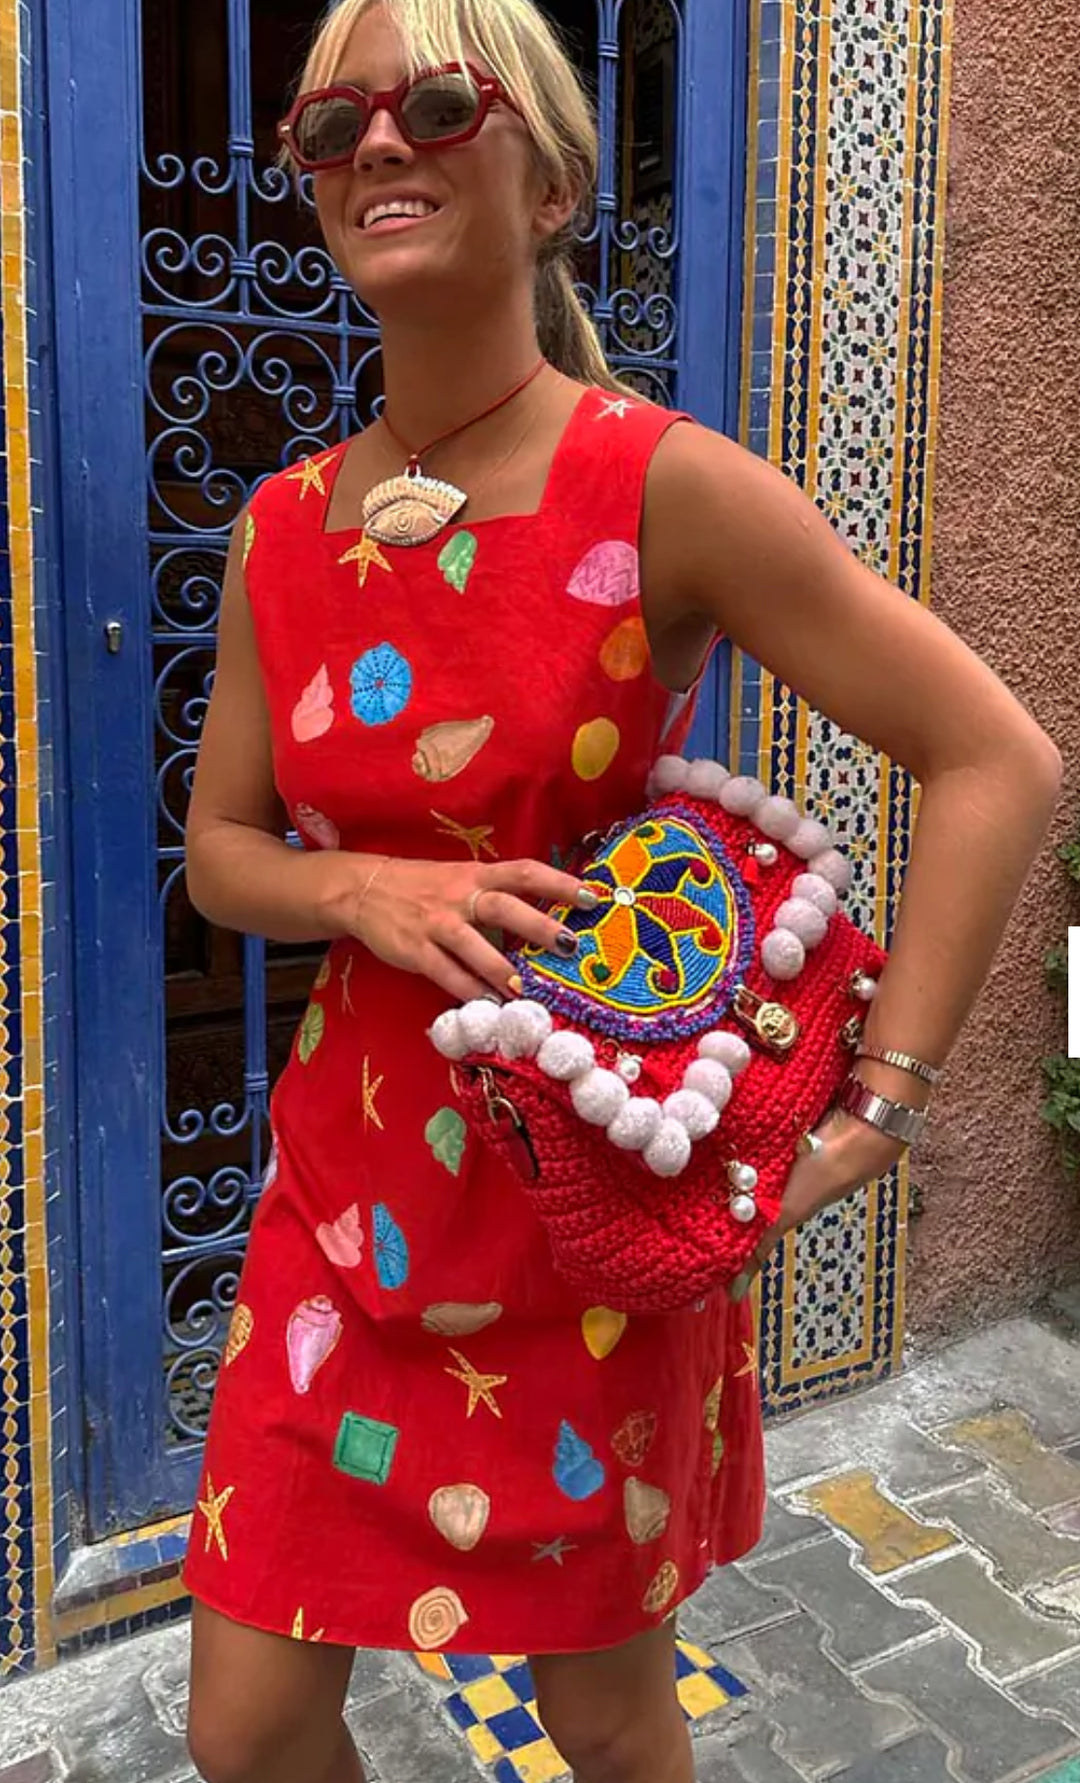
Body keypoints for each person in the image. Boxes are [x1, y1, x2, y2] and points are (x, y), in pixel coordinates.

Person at [181, 2, 1063, 1780]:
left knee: (599, 1715)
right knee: (247, 1731)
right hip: (341, 1215)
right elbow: (223, 853)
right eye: (330, 125)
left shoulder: (659, 486)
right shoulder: (282, 527)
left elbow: (999, 760)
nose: (376, 144)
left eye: (439, 103)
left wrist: (877, 1113)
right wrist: (361, 893)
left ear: (556, 186)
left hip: (587, 1221)